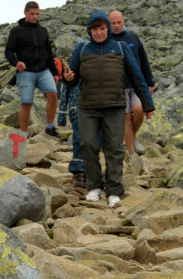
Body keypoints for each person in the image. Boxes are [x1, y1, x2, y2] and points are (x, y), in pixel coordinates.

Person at [64, 11, 154, 208]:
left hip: (114, 107)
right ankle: (94, 186)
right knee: (88, 145)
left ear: (107, 29)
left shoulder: (120, 48)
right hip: (88, 107)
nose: (99, 32)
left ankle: (114, 189)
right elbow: (72, 78)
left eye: (102, 28)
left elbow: (137, 76)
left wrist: (147, 105)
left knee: (114, 148)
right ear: (90, 30)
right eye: (95, 29)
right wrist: (67, 79)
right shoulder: (83, 49)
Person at [5, 1, 59, 137]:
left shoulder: (43, 31)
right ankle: (24, 134)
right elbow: (8, 51)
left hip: (43, 70)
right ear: (25, 13)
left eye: (37, 14)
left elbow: (49, 53)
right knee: (26, 103)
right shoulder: (16, 31)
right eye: (32, 14)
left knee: (53, 95)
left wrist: (55, 73)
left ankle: (50, 127)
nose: (35, 17)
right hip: (25, 72)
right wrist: (16, 62)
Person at [108, 10, 156, 155]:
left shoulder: (132, 37)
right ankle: (131, 151)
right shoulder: (106, 40)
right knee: (127, 118)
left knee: (139, 111)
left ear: (124, 22)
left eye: (119, 22)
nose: (116, 26)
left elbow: (143, 60)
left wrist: (150, 82)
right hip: (118, 86)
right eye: (113, 23)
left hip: (136, 84)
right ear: (109, 24)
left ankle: (132, 137)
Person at [57, 76, 85, 188]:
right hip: (76, 108)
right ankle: (78, 172)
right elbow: (65, 90)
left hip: (95, 107)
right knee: (79, 139)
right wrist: (62, 115)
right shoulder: (74, 66)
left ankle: (88, 171)